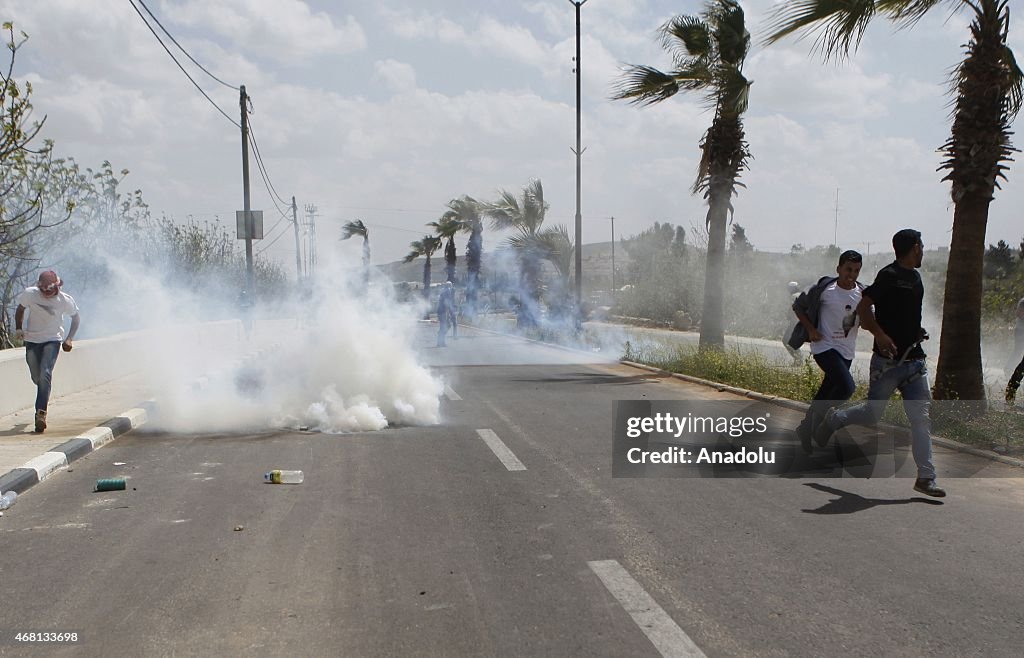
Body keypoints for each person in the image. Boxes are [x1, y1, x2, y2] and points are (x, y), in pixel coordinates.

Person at [813, 230, 945, 498]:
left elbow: (906, 316)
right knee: (873, 414)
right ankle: (835, 418)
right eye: (921, 246)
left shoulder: (917, 278)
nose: (923, 250)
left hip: (914, 361)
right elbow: (863, 308)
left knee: (920, 419)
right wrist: (881, 335)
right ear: (912, 248)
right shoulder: (889, 276)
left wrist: (915, 331)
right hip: (887, 364)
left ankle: (926, 477)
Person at [791, 250, 865, 454]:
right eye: (848, 269)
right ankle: (819, 424)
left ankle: (805, 428)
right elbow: (798, 306)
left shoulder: (862, 293)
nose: (851, 274)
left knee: (825, 393)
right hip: (824, 347)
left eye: (856, 270)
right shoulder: (824, 289)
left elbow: (868, 320)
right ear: (839, 269)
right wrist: (811, 329)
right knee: (847, 387)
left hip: (846, 351)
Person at [13, 270, 81, 433]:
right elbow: (20, 309)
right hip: (32, 340)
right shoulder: (30, 294)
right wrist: (18, 328)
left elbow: (76, 317)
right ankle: (43, 387)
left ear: (57, 287)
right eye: (44, 291)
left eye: (50, 290)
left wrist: (69, 338)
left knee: (45, 373)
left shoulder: (65, 300)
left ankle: (40, 414)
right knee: (37, 377)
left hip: (52, 339)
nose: (47, 294)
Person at [782, 281, 804, 365]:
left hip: (795, 323)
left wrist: (788, 316)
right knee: (791, 340)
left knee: (786, 340)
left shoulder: (793, 296)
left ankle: (798, 359)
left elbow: (792, 309)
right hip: (801, 322)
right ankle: (798, 359)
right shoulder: (802, 295)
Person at [437, 282, 454, 347]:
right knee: (446, 325)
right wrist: (448, 313)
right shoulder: (448, 291)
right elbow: (447, 303)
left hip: (440, 311)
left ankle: (440, 340)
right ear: (449, 286)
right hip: (443, 311)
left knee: (444, 326)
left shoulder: (443, 291)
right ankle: (441, 341)